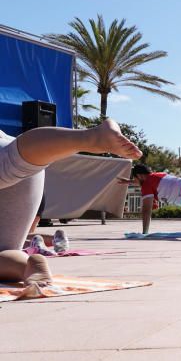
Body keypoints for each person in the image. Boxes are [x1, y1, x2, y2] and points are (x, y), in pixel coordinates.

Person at [0, 119, 141, 292]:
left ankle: (89, 138)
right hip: (26, 161)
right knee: (4, 251)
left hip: (22, 156)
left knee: (12, 160)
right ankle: (27, 265)